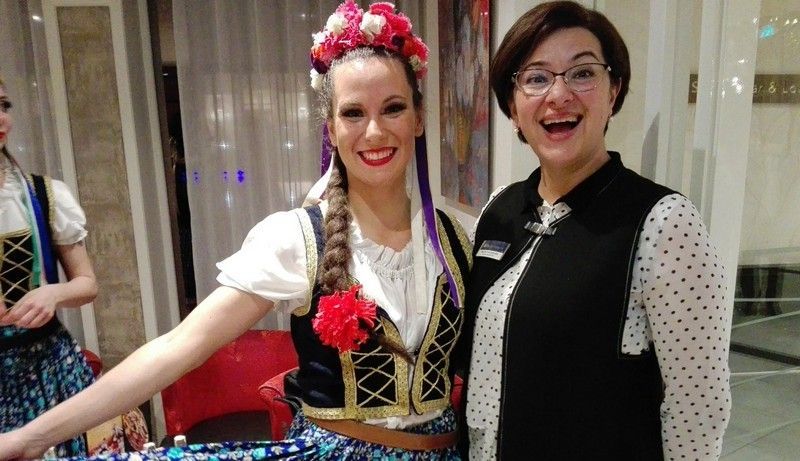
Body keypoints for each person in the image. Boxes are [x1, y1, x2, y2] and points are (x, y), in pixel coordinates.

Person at [0, 1, 470, 459]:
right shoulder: (295, 241)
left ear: (419, 117)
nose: (373, 132)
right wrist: (30, 438)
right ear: (330, 128)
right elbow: (177, 349)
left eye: (392, 108)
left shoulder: (457, 241)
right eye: (352, 113)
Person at [459, 1, 731, 460]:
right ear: (513, 105)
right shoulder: (500, 208)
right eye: (536, 77)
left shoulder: (662, 222)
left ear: (613, 90)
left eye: (582, 73)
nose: (559, 95)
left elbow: (697, 410)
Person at [0, 77, 99, 457]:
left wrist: (53, 292)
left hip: (45, 365)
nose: (1, 118)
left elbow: (87, 284)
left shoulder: (44, 194)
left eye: (5, 106)